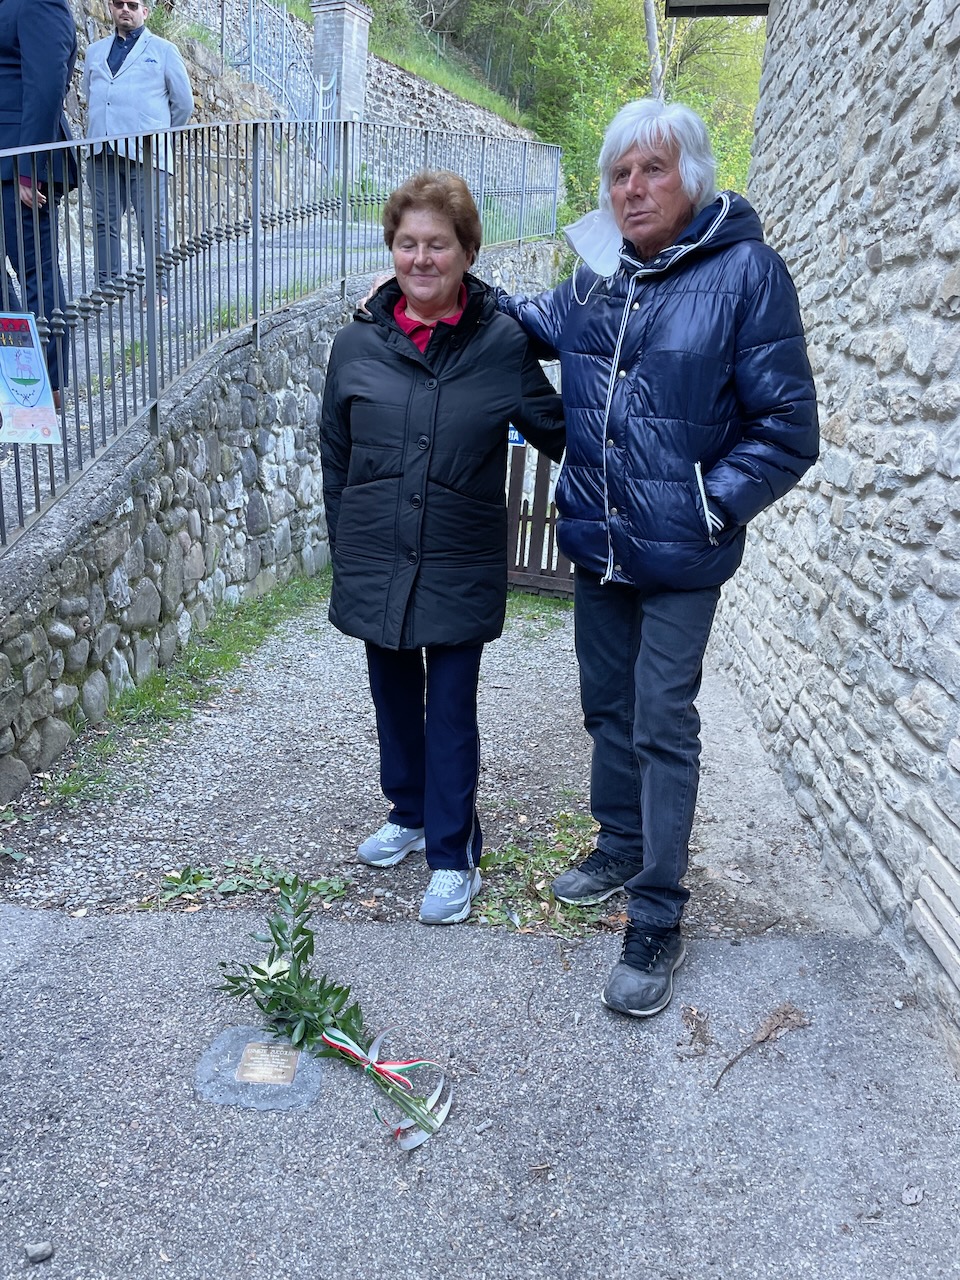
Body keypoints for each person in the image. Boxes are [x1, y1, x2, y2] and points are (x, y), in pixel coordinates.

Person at [497, 98, 819, 1017]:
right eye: (620, 174)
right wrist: (435, 293)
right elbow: (534, 322)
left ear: (694, 176)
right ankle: (619, 842)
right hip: (599, 543)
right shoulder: (598, 277)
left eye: (653, 170)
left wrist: (707, 506)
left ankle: (658, 914)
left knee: (660, 718)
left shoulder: (749, 273)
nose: (633, 189)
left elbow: (788, 429)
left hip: (683, 554)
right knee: (606, 704)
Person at [320, 170, 564, 926]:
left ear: (467, 252)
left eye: (438, 245)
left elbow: (563, 435)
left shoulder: (501, 344)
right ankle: (409, 811)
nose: (421, 259)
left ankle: (455, 856)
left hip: (459, 560)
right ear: (391, 249)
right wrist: (348, 546)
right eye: (407, 244)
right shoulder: (355, 342)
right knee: (392, 697)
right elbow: (334, 452)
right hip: (376, 554)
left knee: (450, 709)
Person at [82, 0, 193, 302]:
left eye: (133, 4)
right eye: (119, 4)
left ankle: (158, 288)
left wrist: (160, 137)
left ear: (145, 11)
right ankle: (107, 287)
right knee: (105, 220)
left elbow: (183, 104)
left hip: (146, 153)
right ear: (110, 8)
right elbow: (89, 92)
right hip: (102, 148)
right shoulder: (95, 52)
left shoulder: (164, 50)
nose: (125, 10)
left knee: (151, 221)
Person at [0, 0, 78, 402]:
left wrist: (27, 166)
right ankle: (15, 375)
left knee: (35, 276)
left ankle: (47, 383)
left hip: (19, 163)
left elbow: (49, 81)